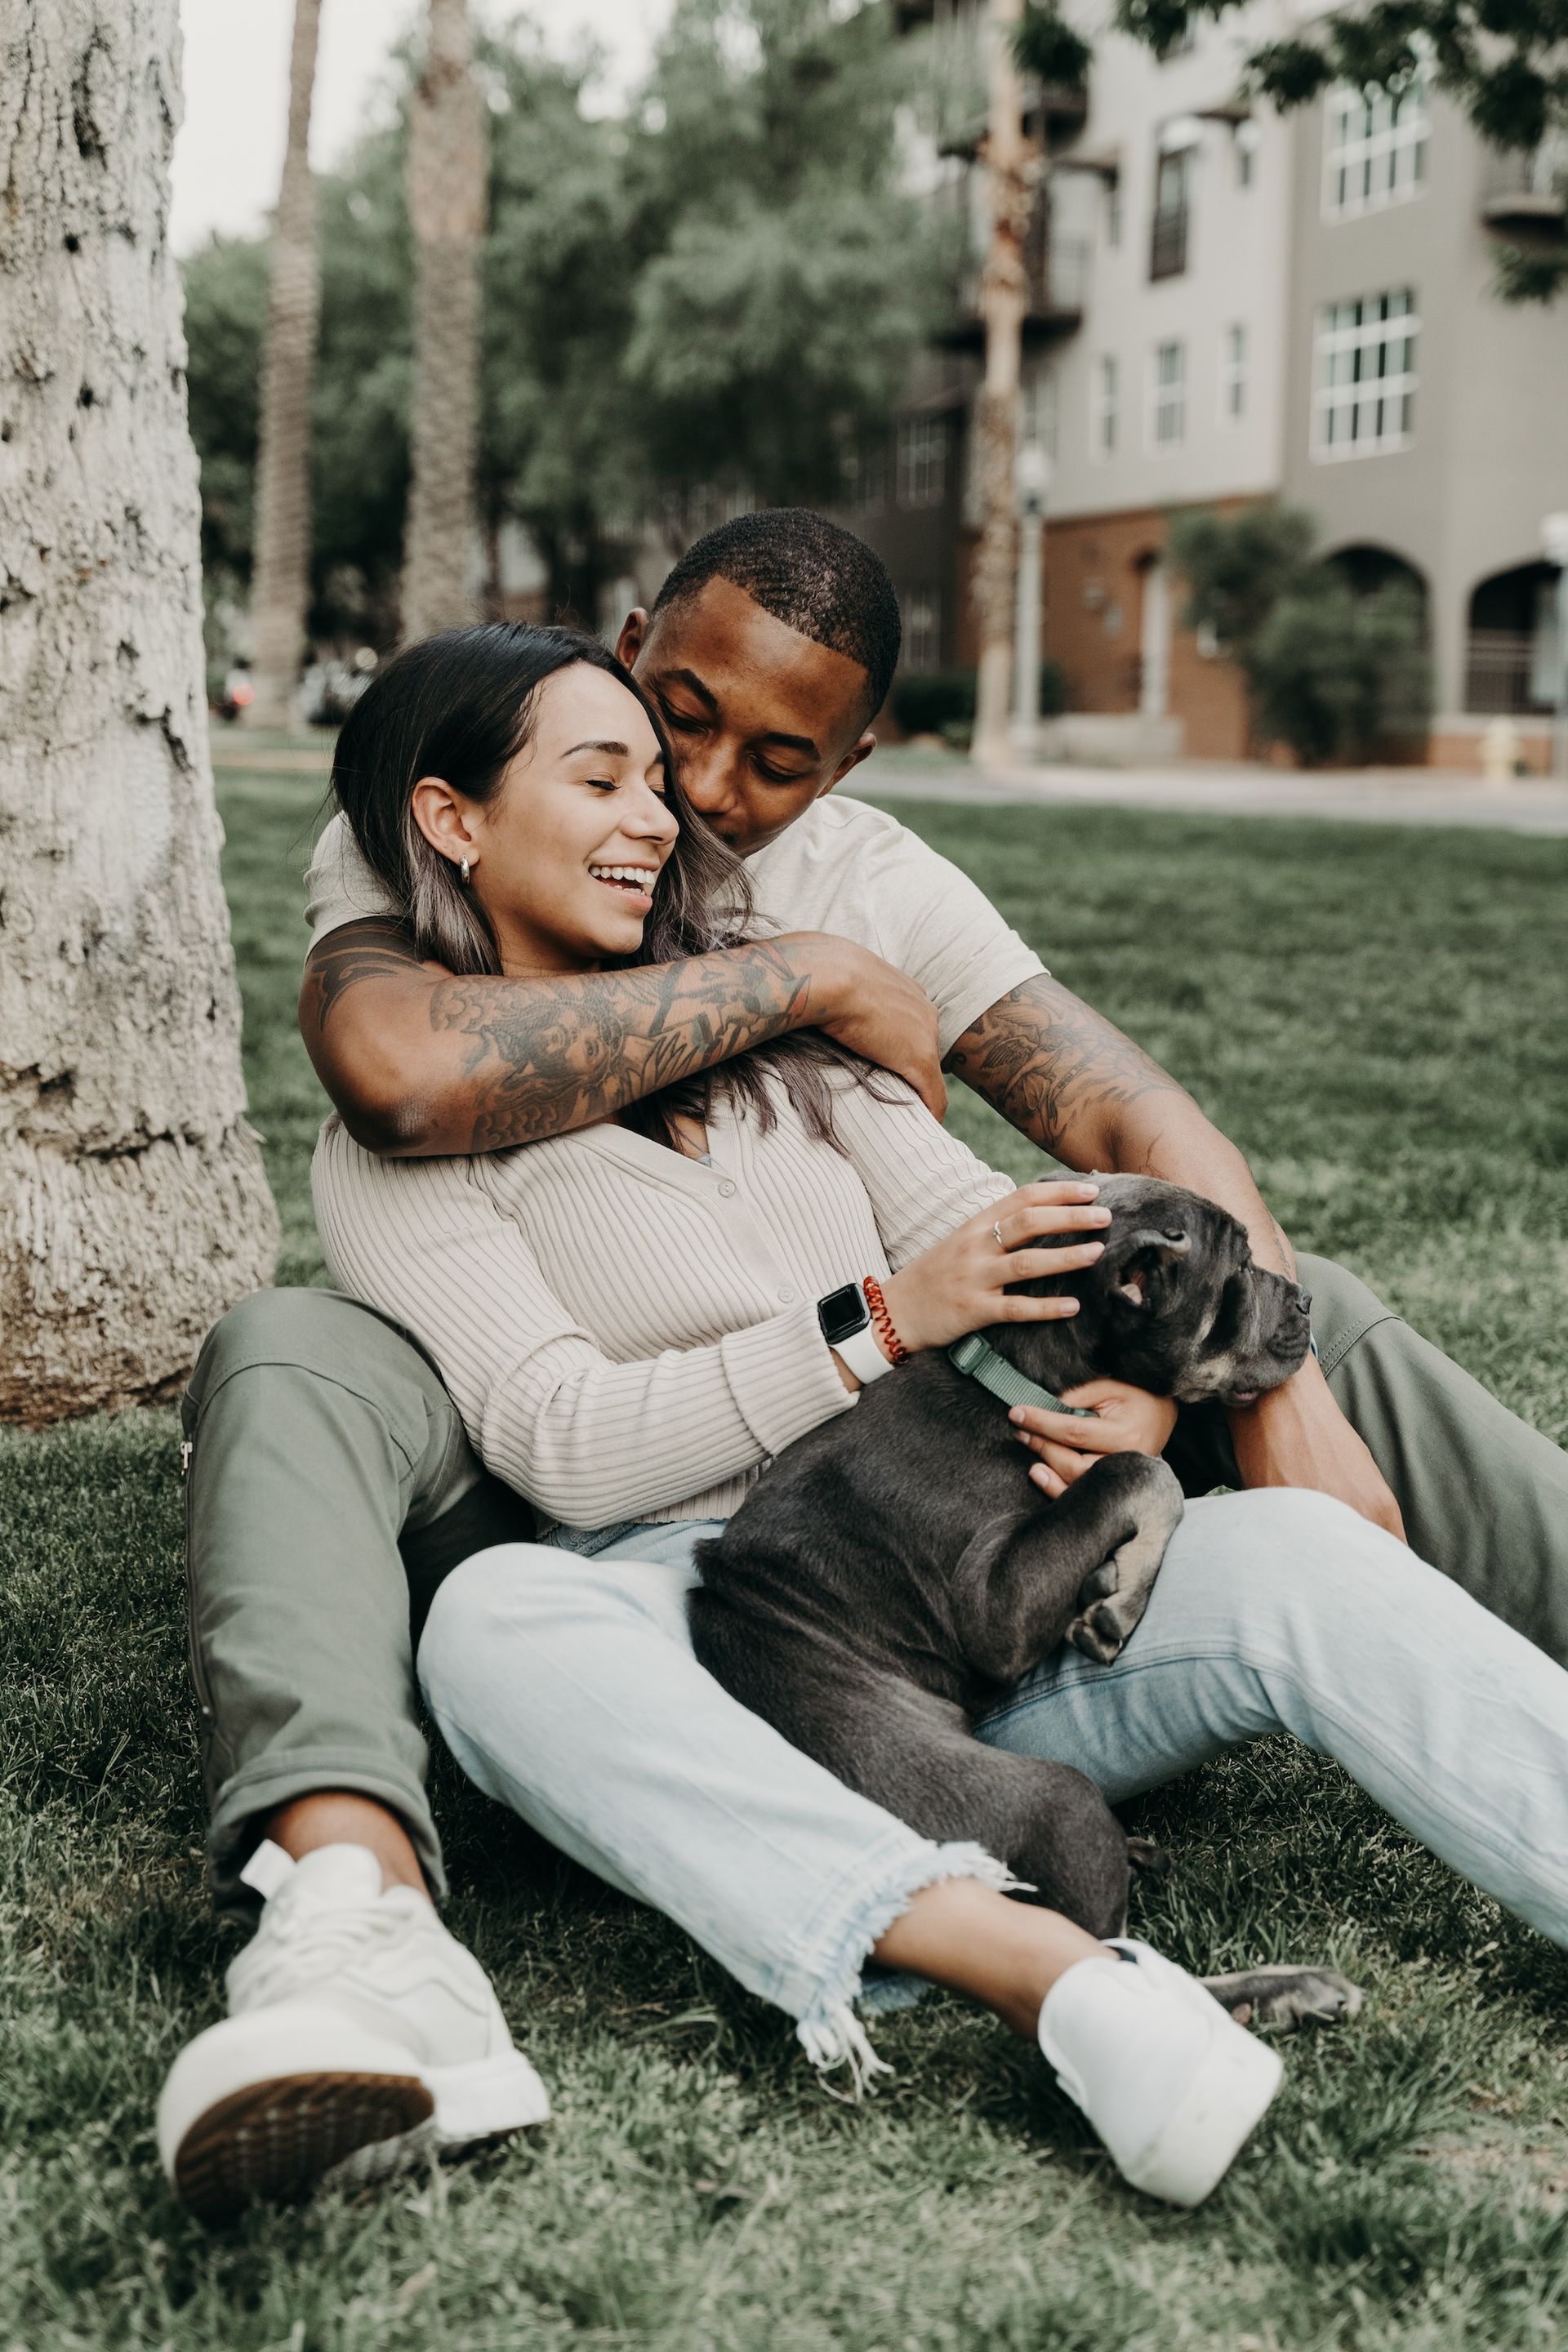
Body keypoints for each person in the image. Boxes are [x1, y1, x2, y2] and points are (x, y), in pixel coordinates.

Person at [158, 513, 1568, 2218]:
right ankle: (1057, 1980)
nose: (672, 808)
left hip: (979, 1576)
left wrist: (1152, 1387)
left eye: (674, 779)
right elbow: (564, 1440)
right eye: (617, 769)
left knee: (1297, 1556)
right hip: (705, 1618)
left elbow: (1012, 1222)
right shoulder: (403, 1125)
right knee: (494, 1622)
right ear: (457, 821)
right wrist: (878, 1321)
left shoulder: (800, 1049)